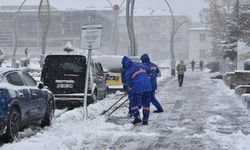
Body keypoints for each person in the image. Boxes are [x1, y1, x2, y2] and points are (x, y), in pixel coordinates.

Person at [122, 56, 152, 125]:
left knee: (133, 103)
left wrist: (128, 89)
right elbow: (149, 70)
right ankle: (145, 120)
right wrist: (148, 74)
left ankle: (137, 117)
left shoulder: (128, 71)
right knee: (146, 104)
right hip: (147, 87)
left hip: (137, 88)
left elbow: (129, 84)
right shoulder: (141, 65)